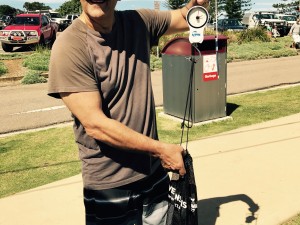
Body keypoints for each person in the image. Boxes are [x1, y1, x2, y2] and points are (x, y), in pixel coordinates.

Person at [48, 0, 210, 224]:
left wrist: (199, 2)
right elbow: (96, 125)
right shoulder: (70, 45)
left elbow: (187, 17)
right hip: (110, 184)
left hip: (153, 174)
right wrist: (160, 150)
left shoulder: (139, 22)